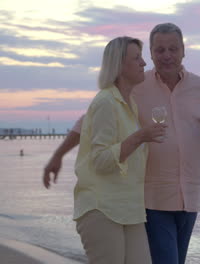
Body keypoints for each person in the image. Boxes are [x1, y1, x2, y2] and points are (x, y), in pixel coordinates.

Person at [43, 23, 200, 264]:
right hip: (151, 198)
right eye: (159, 50)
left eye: (173, 49)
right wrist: (58, 156)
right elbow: (88, 121)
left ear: (184, 50)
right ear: (151, 53)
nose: (166, 56)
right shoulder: (136, 85)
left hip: (191, 197)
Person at [72, 36, 166, 263]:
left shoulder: (129, 104)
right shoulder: (105, 102)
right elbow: (101, 160)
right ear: (119, 65)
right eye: (137, 58)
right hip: (101, 208)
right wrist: (140, 136)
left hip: (129, 208)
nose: (144, 63)